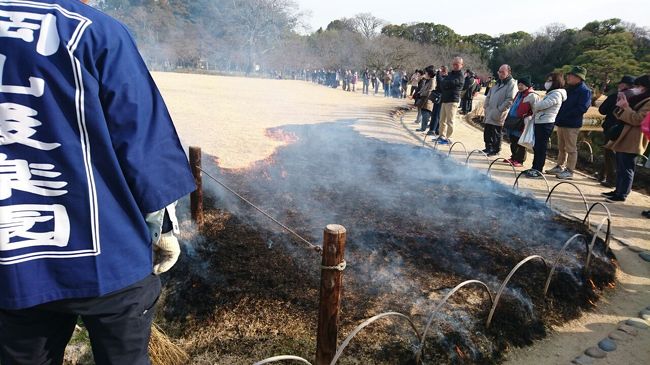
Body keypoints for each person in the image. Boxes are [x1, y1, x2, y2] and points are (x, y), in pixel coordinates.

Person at [0, 0, 197, 364]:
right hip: (107, 254)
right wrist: (164, 229)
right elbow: (142, 138)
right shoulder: (92, 30)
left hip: (16, 259)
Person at [601, 75, 650, 203]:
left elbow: (638, 119)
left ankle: (622, 193)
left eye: (639, 86)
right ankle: (617, 190)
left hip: (634, 137)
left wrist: (625, 107)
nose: (636, 89)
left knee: (627, 166)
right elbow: (619, 114)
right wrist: (621, 105)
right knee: (621, 164)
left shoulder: (648, 102)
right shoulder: (637, 98)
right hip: (624, 134)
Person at [545, 66, 592, 179]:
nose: (568, 77)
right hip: (562, 121)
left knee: (571, 148)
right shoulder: (568, 88)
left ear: (579, 78)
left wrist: (566, 114)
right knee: (561, 146)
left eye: (571, 75)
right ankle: (559, 166)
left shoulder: (585, 91)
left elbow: (582, 108)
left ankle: (570, 170)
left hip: (572, 124)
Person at [524, 72, 567, 178]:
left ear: (556, 82)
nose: (547, 82)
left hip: (546, 122)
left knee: (541, 147)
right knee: (537, 147)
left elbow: (542, 105)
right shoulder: (551, 93)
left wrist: (535, 104)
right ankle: (534, 167)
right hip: (541, 121)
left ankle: (538, 169)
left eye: (550, 80)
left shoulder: (557, 94)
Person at [598, 75, 636, 187]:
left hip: (612, 128)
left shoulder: (616, 96)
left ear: (624, 85)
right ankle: (603, 174)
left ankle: (611, 179)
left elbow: (602, 110)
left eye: (621, 83)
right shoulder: (636, 98)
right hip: (627, 130)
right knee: (614, 154)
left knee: (609, 153)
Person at [482, 65, 517, 156]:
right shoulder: (497, 83)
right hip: (490, 110)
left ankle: (495, 150)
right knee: (488, 130)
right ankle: (488, 147)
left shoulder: (511, 84)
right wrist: (486, 106)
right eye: (499, 72)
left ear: (508, 72)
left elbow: (510, 99)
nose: (500, 74)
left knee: (496, 131)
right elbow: (489, 95)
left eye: (503, 72)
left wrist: (500, 109)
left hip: (499, 112)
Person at [504, 76, 535, 167]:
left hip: (522, 121)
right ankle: (513, 157)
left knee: (520, 141)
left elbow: (535, 109)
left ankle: (520, 160)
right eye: (519, 84)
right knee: (512, 139)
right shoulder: (519, 94)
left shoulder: (532, 95)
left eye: (522, 85)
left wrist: (528, 117)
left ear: (527, 85)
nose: (519, 86)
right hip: (513, 120)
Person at [438, 57, 465, 145]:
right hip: (445, 99)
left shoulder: (461, 75)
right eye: (453, 64)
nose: (455, 66)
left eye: (457, 64)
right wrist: (445, 83)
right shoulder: (450, 74)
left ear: (461, 65)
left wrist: (445, 83)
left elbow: (451, 83)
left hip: (452, 100)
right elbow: (442, 84)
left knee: (450, 121)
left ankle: (448, 138)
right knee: (442, 120)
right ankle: (441, 136)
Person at [414, 66, 436, 133]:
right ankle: (422, 127)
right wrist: (420, 92)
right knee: (423, 114)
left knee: (425, 115)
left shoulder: (432, 81)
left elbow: (430, 91)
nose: (425, 74)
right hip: (424, 99)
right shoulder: (428, 80)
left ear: (429, 74)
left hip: (428, 101)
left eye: (426, 72)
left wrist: (421, 93)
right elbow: (424, 88)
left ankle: (423, 128)